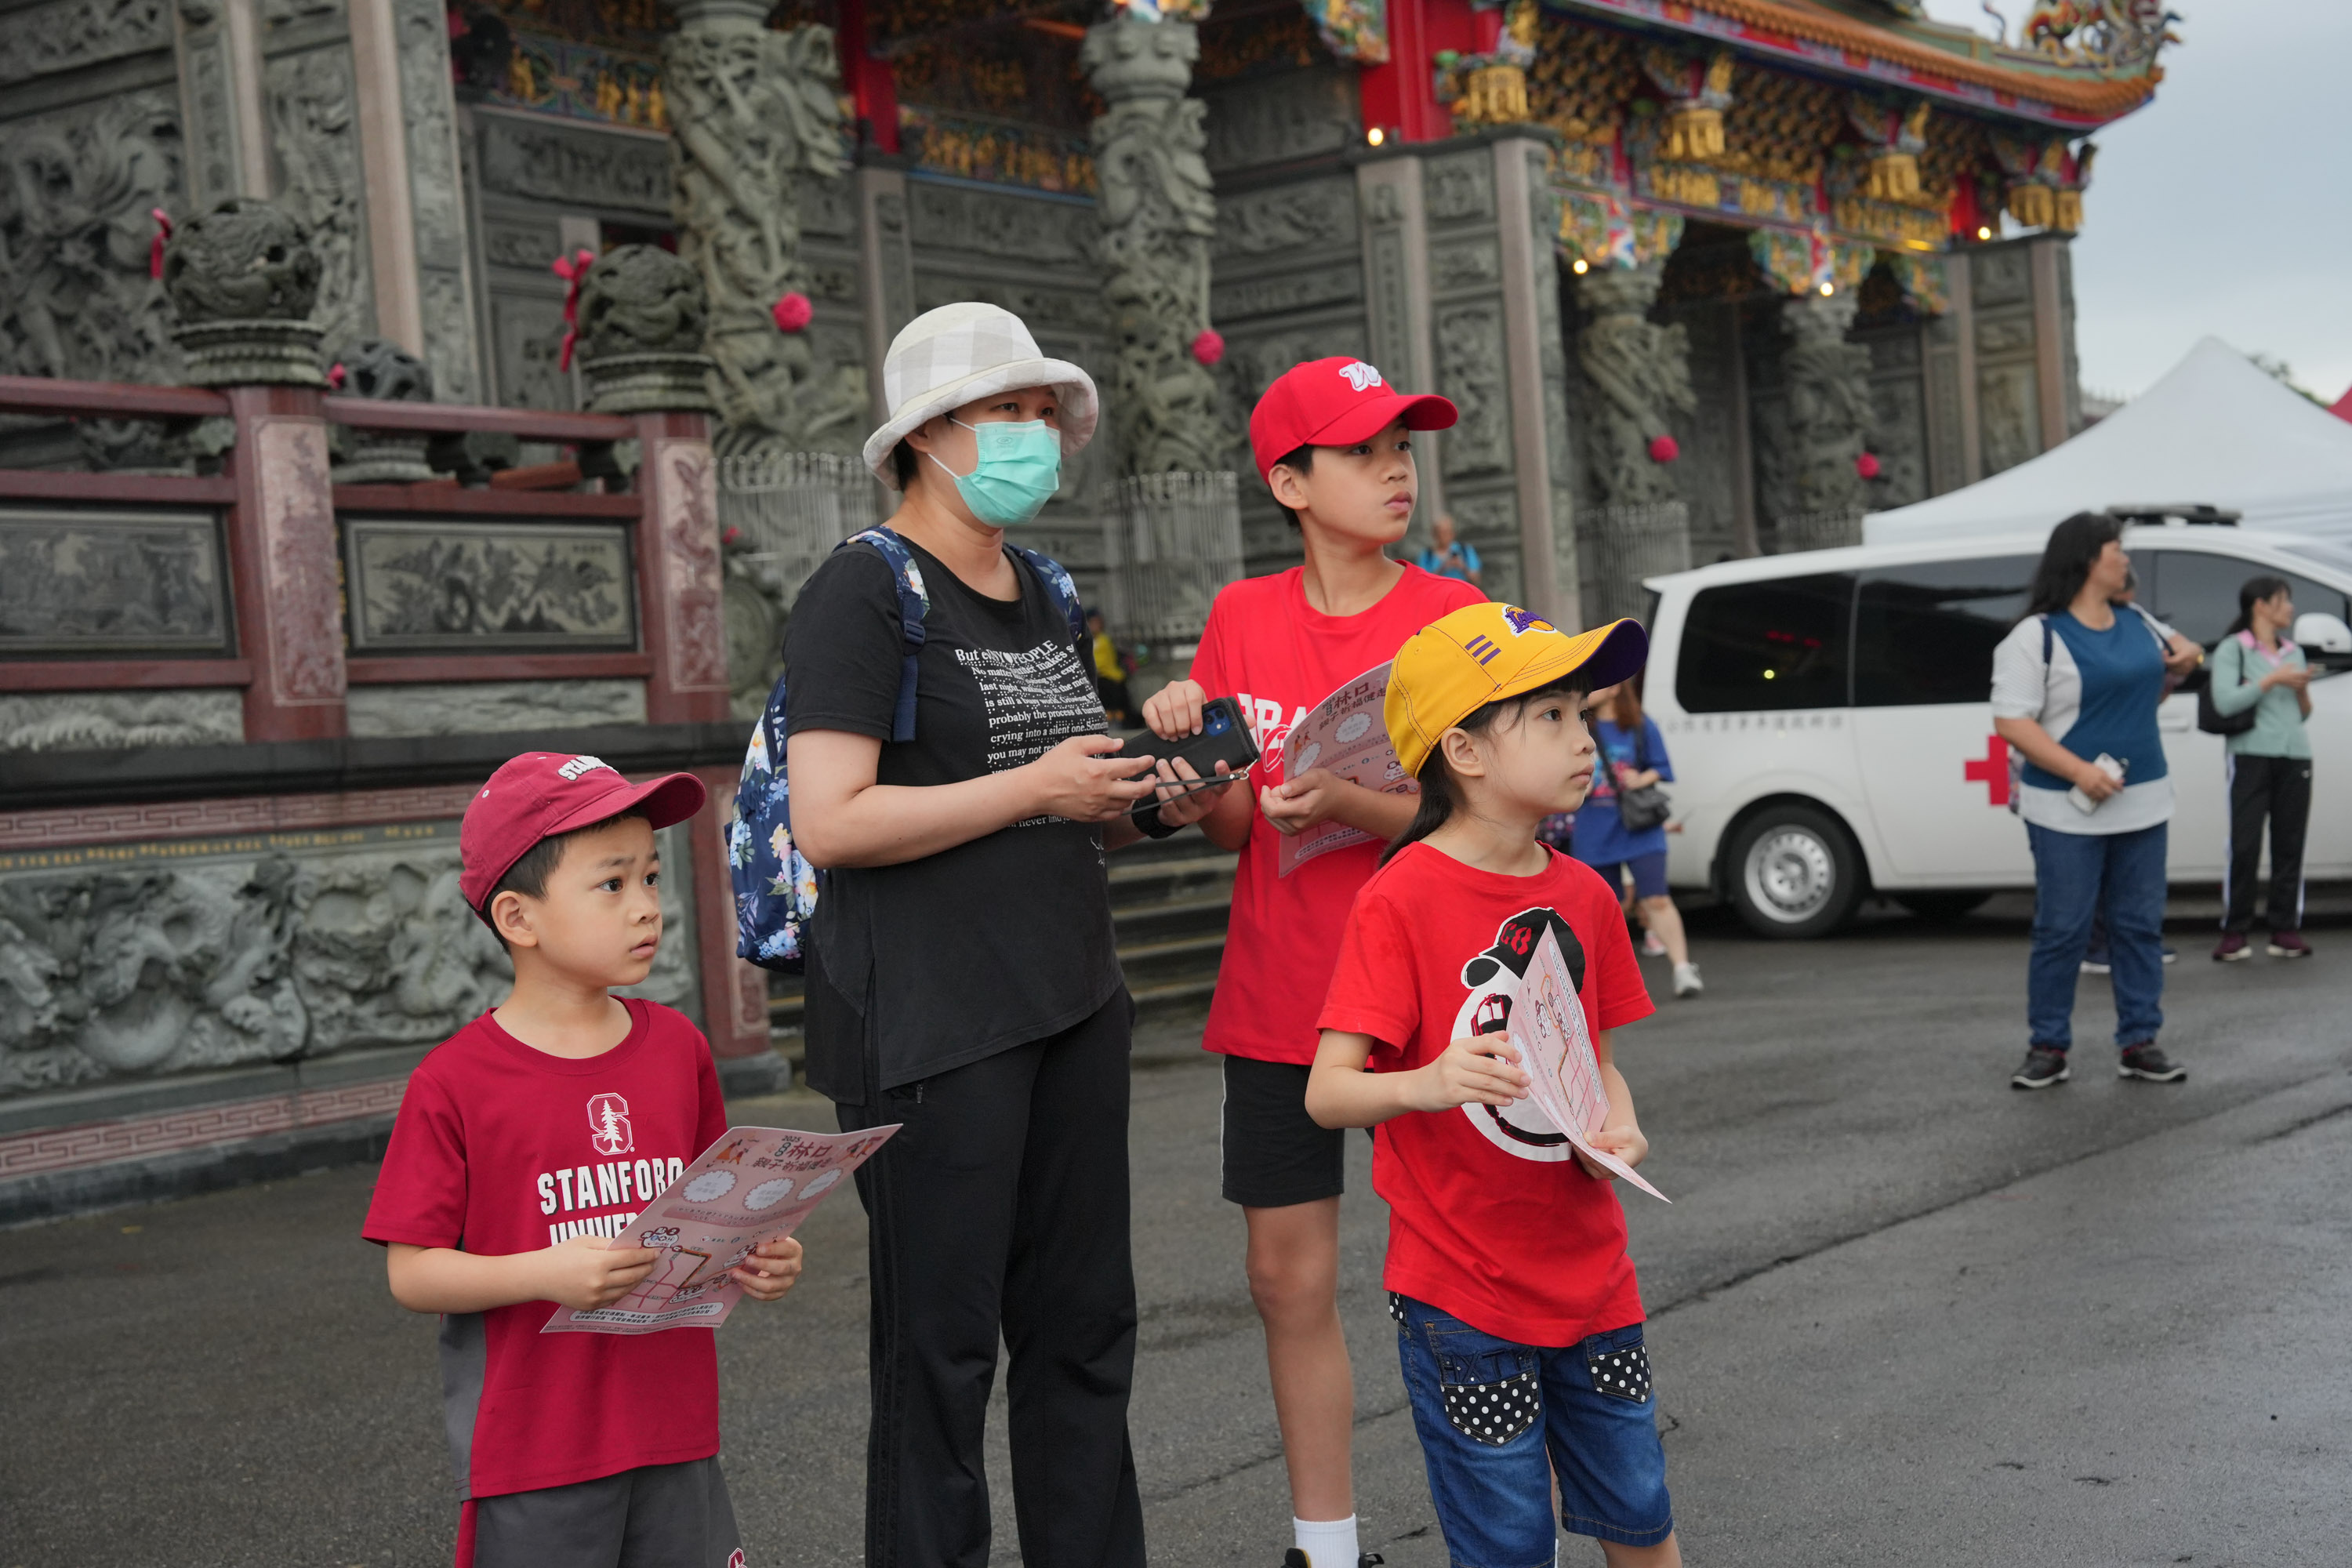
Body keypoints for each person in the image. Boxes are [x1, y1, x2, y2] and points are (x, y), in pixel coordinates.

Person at [781, 303, 1229, 1568]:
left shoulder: (1047, 589)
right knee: (940, 1357)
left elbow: (1077, 807)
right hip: (935, 1025)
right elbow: (831, 819)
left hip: (1071, 999)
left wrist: (1161, 799)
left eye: (1044, 412)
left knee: (1084, 1334)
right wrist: (1036, 787)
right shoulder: (864, 588)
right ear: (927, 435)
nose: (1036, 433)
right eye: (1007, 411)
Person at [1141, 356, 1479, 1568]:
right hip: (1282, 994)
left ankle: (1503, 1532)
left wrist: (1348, 799)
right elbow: (1238, 827)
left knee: (1472, 1271)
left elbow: (1491, 814)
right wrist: (1196, 787)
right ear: (1289, 482)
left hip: (1434, 994)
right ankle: (1325, 1547)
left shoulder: (1452, 614)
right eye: (1364, 450)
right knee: (1287, 1281)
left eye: (1403, 447)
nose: (1397, 470)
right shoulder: (1242, 616)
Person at [363, 752, 808, 1568]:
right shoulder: (454, 1082)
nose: (647, 906)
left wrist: (760, 1255)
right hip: (536, 1450)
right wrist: (546, 1271)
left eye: (650, 877)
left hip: (675, 1430)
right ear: (517, 917)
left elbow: (712, 1211)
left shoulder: (678, 1048)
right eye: (612, 883)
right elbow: (412, 1272)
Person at [1305, 603, 1678, 1568]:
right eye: (1550, 716)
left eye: (1581, 713)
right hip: (1461, 1292)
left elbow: (1597, 1060)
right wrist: (1426, 1081)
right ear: (1463, 751)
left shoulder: (1586, 892)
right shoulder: (1399, 896)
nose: (1583, 737)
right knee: (1508, 1542)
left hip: (1595, 1277)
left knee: (1640, 1510)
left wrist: (1620, 1130)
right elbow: (1328, 1091)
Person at [1991, 512, 2203, 1091]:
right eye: (2116, 548)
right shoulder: (2037, 636)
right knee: (2063, 929)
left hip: (2144, 800)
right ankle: (2048, 1047)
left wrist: (2188, 662)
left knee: (2139, 926)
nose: (2125, 558)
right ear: (2087, 559)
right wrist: (2080, 772)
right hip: (2064, 808)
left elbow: (2166, 674)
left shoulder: (2138, 620)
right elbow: (2012, 721)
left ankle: (2140, 1041)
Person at [2209, 574, 2315, 960]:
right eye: (2283, 600)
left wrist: (2300, 690)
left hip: (2295, 754)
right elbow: (2225, 702)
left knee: (2290, 843)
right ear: (2261, 605)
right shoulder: (2233, 649)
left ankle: (2284, 928)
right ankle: (2235, 930)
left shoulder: (2293, 651)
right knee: (2245, 844)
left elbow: (2303, 714)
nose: (2290, 608)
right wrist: (2271, 680)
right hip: (2249, 754)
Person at [1572, 677, 1699, 998]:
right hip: (1594, 829)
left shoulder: (1640, 725)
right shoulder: (1577, 726)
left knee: (1657, 899)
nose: (1588, 691)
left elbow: (1661, 767)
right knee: (1605, 907)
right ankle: (1605, 985)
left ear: (1615, 688)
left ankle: (1682, 969)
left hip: (1640, 827)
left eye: (1595, 685)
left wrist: (1641, 778)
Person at [1088, 606, 1137, 724]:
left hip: (1109, 675)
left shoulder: (1104, 640)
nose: (1096, 626)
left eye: (1098, 622)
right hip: (1099, 677)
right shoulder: (1088, 641)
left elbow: (1105, 660)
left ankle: (1118, 717)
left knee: (1111, 693)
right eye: (1093, 623)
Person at [1415, 511, 1482, 587]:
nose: (1445, 536)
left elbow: (1476, 580)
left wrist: (1462, 567)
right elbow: (1422, 583)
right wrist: (1443, 568)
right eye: (1441, 533)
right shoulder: (1426, 555)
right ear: (1434, 534)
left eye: (1448, 532)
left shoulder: (1465, 550)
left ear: (1453, 533)